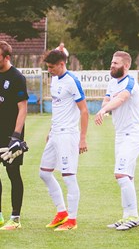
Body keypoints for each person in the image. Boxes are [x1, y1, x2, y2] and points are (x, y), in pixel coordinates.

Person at [95, 51, 139, 231]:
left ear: (126, 66)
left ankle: (134, 216)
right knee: (127, 176)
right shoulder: (112, 82)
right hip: (120, 135)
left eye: (116, 63)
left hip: (133, 134)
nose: (112, 65)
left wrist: (103, 111)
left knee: (121, 174)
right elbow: (108, 99)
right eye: (111, 62)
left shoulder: (130, 82)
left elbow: (122, 98)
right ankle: (126, 216)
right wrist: (104, 108)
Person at [39, 50, 88, 231]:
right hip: (55, 134)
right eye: (48, 67)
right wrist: (51, 130)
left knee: (68, 176)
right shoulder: (54, 80)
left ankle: (72, 220)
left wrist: (82, 138)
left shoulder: (72, 81)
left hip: (68, 135)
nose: (49, 70)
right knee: (44, 173)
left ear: (62, 64)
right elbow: (58, 107)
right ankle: (61, 213)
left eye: (52, 67)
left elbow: (84, 110)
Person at [0, 41, 28, 230]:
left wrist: (16, 136)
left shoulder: (17, 77)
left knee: (13, 174)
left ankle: (15, 218)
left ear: (6, 57)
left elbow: (23, 108)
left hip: (11, 135)